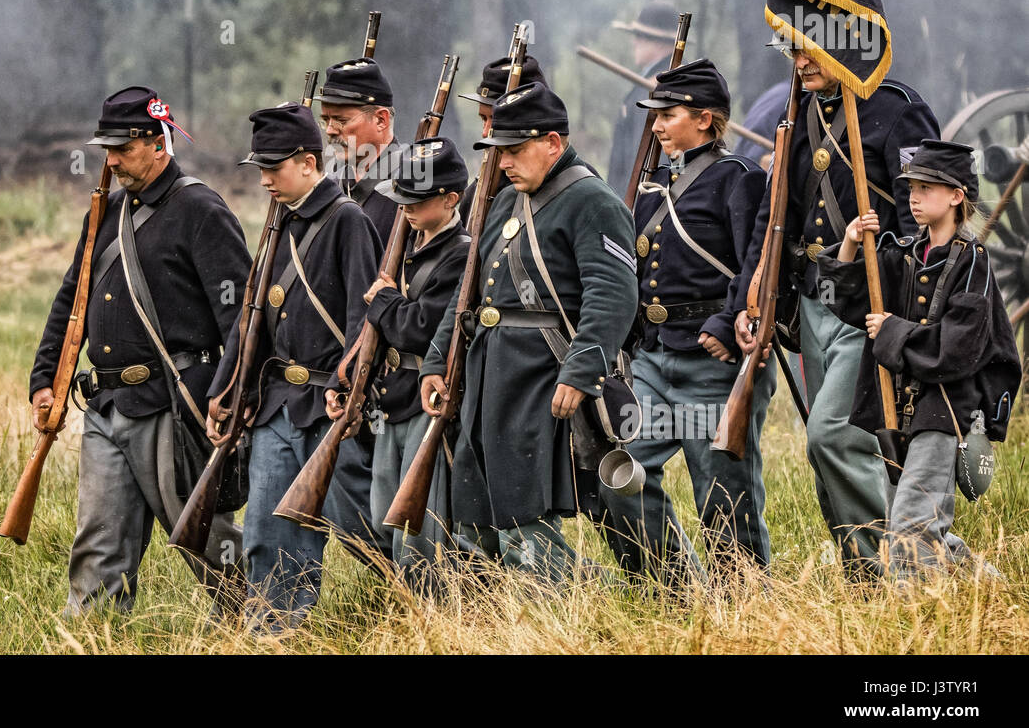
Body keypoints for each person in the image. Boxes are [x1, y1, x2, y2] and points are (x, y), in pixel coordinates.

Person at [28, 86, 250, 617]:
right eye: (106, 148)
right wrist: (44, 378)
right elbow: (72, 298)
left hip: (175, 403)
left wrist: (227, 393)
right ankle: (90, 638)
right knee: (99, 544)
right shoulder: (105, 211)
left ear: (158, 143)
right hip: (106, 405)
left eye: (122, 148)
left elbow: (241, 315)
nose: (110, 160)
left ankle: (258, 624)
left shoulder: (200, 209)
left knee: (203, 537)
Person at [731, 48, 939, 574]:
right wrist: (754, 292)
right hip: (812, 302)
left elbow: (922, 221)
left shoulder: (897, 110)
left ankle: (888, 574)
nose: (799, 61)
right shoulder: (801, 113)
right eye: (791, 50)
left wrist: (905, 306)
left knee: (834, 435)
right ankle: (866, 575)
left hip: (869, 302)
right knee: (827, 450)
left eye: (810, 48)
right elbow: (777, 215)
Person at [421, 83, 638, 583]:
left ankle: (598, 596)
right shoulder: (505, 201)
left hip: (544, 375)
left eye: (515, 151)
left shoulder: (591, 200)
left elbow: (612, 294)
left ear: (553, 144)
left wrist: (582, 369)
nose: (504, 164)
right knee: (479, 513)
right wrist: (437, 361)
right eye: (500, 152)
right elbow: (468, 294)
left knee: (528, 512)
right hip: (490, 373)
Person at [596, 60, 774, 587]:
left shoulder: (737, 180)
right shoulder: (650, 190)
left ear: (704, 119)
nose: (655, 125)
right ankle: (672, 583)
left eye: (667, 115)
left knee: (722, 490)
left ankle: (742, 600)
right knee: (619, 472)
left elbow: (758, 265)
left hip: (713, 362)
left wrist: (728, 321)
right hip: (653, 357)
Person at [207, 100, 382, 633]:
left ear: (308, 162)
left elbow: (364, 316)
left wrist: (350, 390)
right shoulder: (278, 224)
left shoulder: (347, 220)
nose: (264, 179)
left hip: (330, 404)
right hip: (277, 403)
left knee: (368, 530)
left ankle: (444, 599)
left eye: (274, 167)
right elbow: (252, 319)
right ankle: (274, 631)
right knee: (264, 529)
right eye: (260, 168)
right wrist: (226, 388)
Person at [817, 140, 1020, 579]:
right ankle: (982, 581)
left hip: (944, 409)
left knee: (910, 526)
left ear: (956, 196)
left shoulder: (974, 266)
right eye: (912, 186)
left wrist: (892, 330)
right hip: (897, 408)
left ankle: (911, 620)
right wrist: (851, 244)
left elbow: (956, 352)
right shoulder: (901, 255)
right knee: (921, 519)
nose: (914, 196)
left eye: (928, 187)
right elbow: (839, 300)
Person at [328, 136, 471, 585]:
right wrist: (350, 378)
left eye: (417, 200)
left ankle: (438, 612)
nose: (405, 209)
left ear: (450, 200)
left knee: (420, 531)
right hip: (392, 400)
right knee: (384, 516)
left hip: (425, 404)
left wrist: (385, 301)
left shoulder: (461, 254)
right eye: (402, 199)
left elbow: (420, 328)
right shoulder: (408, 247)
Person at [456, 52, 550, 225]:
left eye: (494, 119)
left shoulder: (573, 187)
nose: (485, 132)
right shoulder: (476, 192)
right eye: (484, 119)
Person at [317, 57, 404, 238]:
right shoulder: (332, 185)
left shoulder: (411, 184)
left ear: (381, 120)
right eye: (326, 120)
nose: (330, 130)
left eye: (342, 120)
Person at [607, 0, 678, 192]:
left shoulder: (664, 85)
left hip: (641, 196)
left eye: (641, 36)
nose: (634, 42)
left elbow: (644, 154)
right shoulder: (653, 80)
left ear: (660, 41)